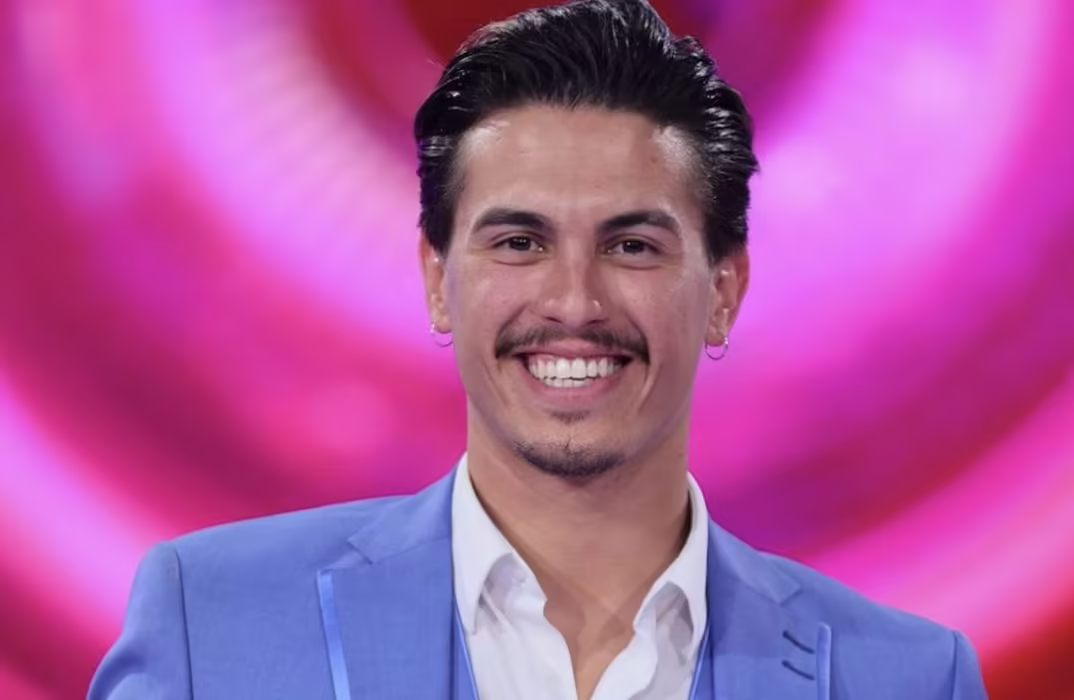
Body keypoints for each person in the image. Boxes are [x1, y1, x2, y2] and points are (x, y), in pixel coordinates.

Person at [88, 1, 990, 698]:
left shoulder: (908, 679)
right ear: (438, 279)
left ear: (724, 290)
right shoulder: (212, 625)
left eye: (632, 245)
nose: (574, 303)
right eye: (519, 242)